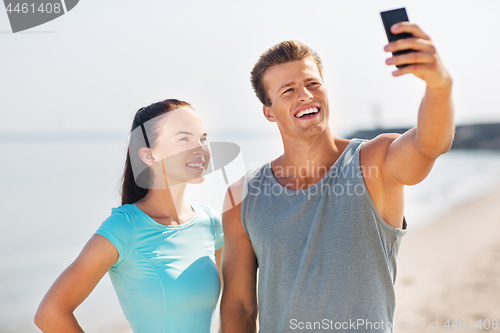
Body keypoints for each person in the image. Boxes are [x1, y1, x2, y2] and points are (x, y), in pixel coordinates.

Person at [220, 22, 454, 332]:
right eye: (288, 90)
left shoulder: (375, 162)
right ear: (269, 112)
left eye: (312, 83)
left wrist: (439, 86)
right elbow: (239, 305)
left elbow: (429, 144)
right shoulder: (242, 197)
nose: (305, 95)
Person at [35, 99, 224, 333]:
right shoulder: (124, 227)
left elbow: (238, 306)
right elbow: (50, 313)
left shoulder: (212, 223)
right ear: (149, 155)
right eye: (184, 138)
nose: (200, 148)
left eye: (202, 138)